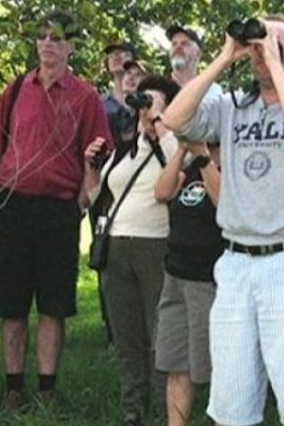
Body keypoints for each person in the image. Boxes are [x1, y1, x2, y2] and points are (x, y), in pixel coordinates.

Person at [162, 14, 284, 426]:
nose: (261, 54)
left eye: (274, 45)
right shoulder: (230, 106)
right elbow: (174, 119)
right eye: (256, 47)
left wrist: (276, 65)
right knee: (232, 405)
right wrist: (225, 56)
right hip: (236, 264)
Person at [0, 9, 110, 411]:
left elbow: (99, 153)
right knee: (11, 304)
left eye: (57, 37)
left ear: (71, 46)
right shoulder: (16, 89)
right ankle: (14, 387)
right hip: (13, 208)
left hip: (59, 211)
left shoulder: (85, 96)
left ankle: (48, 389)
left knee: (54, 305)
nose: (48, 44)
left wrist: (81, 201)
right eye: (42, 37)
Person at [95, 74, 178, 426]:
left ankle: (165, 408)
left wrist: (161, 128)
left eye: (153, 101)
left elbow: (178, 177)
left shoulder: (175, 143)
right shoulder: (126, 148)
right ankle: (132, 407)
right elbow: (96, 193)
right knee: (126, 333)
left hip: (154, 246)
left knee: (159, 332)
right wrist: (90, 165)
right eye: (142, 101)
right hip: (116, 246)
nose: (144, 108)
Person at [151, 76, 222, 426]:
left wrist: (206, 156)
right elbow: (162, 192)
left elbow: (225, 205)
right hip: (175, 274)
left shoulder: (222, 164)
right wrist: (182, 148)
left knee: (212, 367)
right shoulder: (190, 163)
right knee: (176, 363)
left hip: (208, 278)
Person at [103, 40, 142, 157]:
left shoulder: (145, 103)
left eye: (124, 53)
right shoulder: (98, 103)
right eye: (112, 54)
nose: (116, 57)